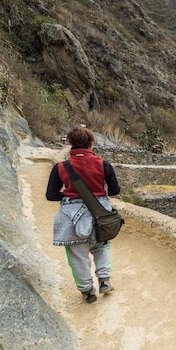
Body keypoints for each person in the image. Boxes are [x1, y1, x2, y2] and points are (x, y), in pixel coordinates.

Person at [46, 126, 121, 303]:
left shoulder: (61, 167)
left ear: (70, 143)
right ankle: (104, 280)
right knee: (101, 246)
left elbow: (51, 195)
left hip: (71, 217)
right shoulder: (103, 164)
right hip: (99, 214)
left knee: (78, 256)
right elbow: (114, 190)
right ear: (92, 143)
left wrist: (69, 195)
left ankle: (87, 291)